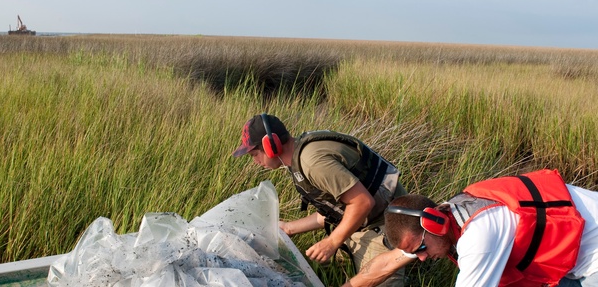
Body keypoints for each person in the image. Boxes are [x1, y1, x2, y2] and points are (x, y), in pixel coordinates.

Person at [232, 113, 409, 286]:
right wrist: (289, 228)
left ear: (271, 145)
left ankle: (402, 254)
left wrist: (332, 242)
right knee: (324, 264)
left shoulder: (312, 163)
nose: (255, 161)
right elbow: (335, 208)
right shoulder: (299, 154)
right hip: (363, 219)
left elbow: (362, 202)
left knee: (376, 279)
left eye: (254, 154)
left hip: (388, 221)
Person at [342, 169, 598, 287]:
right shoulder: (432, 227)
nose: (420, 258)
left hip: (593, 257)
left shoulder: (479, 236)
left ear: (435, 223)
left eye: (420, 249)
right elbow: (386, 264)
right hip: (572, 254)